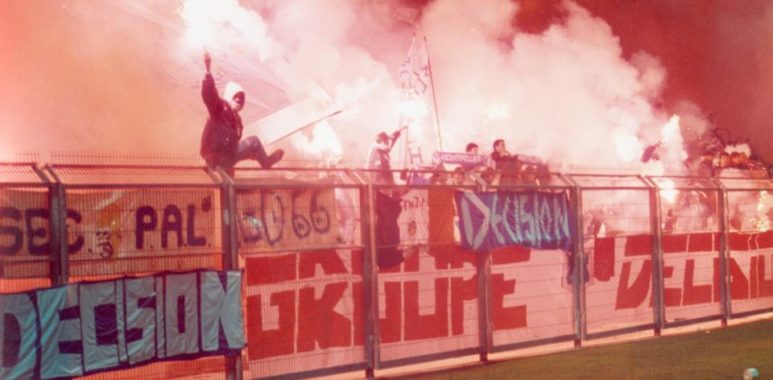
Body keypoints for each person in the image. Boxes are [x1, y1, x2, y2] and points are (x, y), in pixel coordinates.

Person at [200, 52, 284, 172]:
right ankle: (265, 163)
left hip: (226, 157)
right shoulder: (219, 108)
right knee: (253, 142)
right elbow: (209, 95)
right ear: (229, 95)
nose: (238, 101)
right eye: (236, 97)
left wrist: (249, 153)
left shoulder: (237, 120)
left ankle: (228, 168)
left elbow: (235, 143)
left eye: (241, 99)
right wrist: (208, 71)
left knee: (251, 145)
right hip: (215, 156)